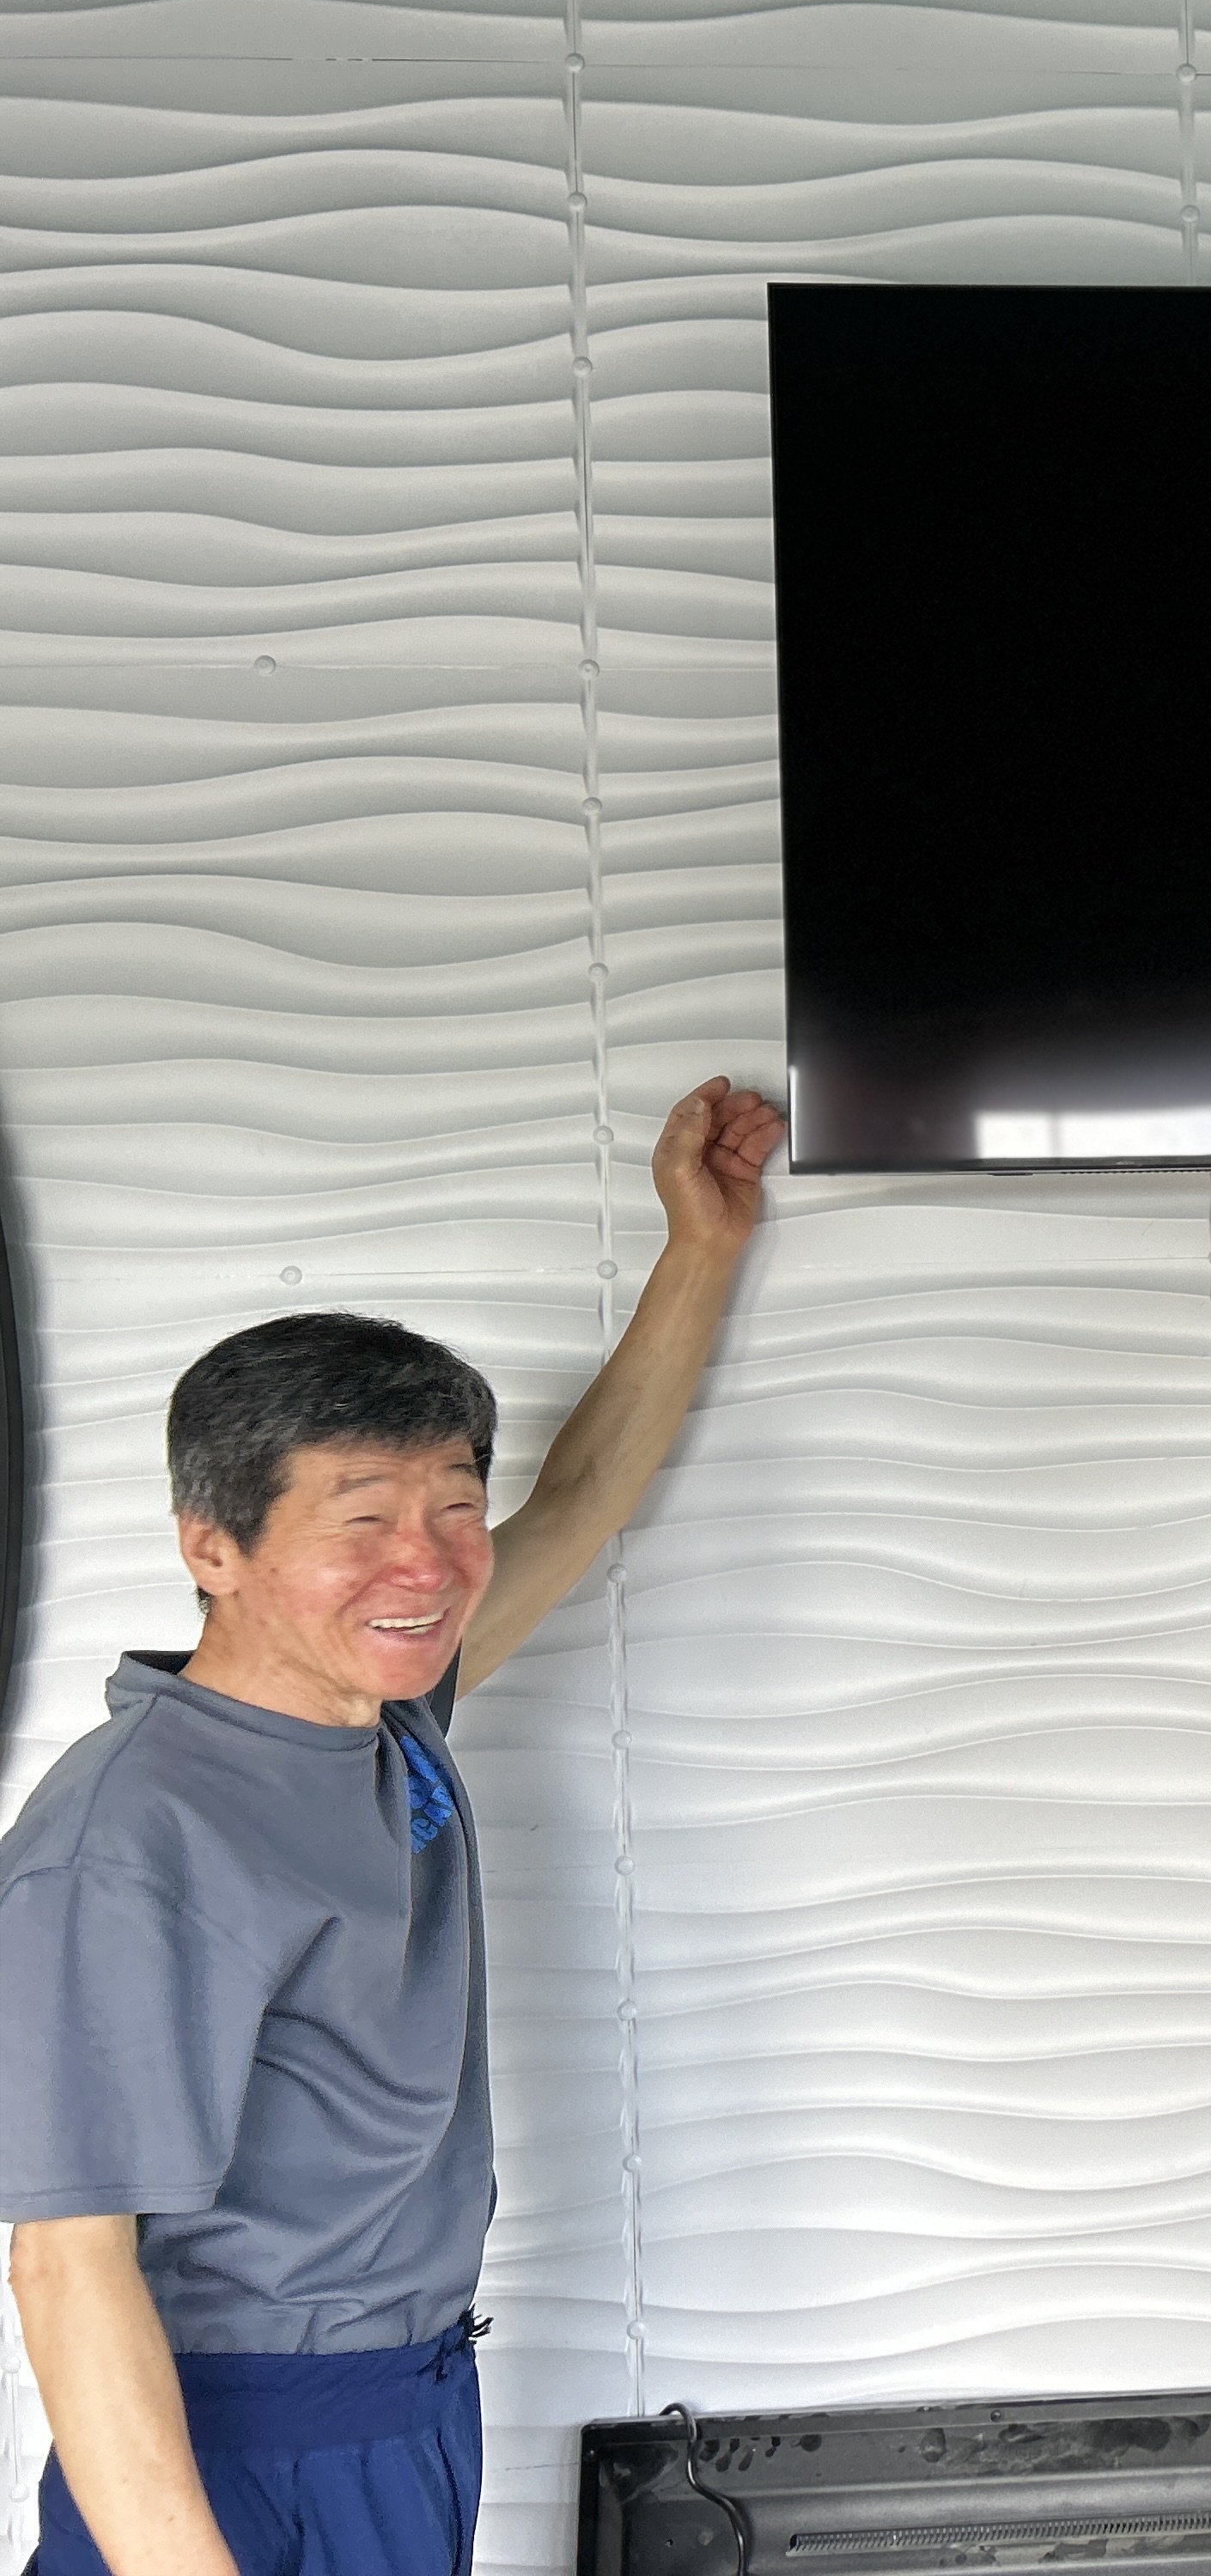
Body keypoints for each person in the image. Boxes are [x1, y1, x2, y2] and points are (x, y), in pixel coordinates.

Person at [0, 1079, 783, 2576]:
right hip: (231, 2443)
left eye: (453, 1507)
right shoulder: (131, 1840)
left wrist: (700, 1248)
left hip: (405, 2407)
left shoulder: (381, 1715)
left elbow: (581, 1497)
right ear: (214, 1547)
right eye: (361, 1519)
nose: (426, 1566)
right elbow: (64, 2264)